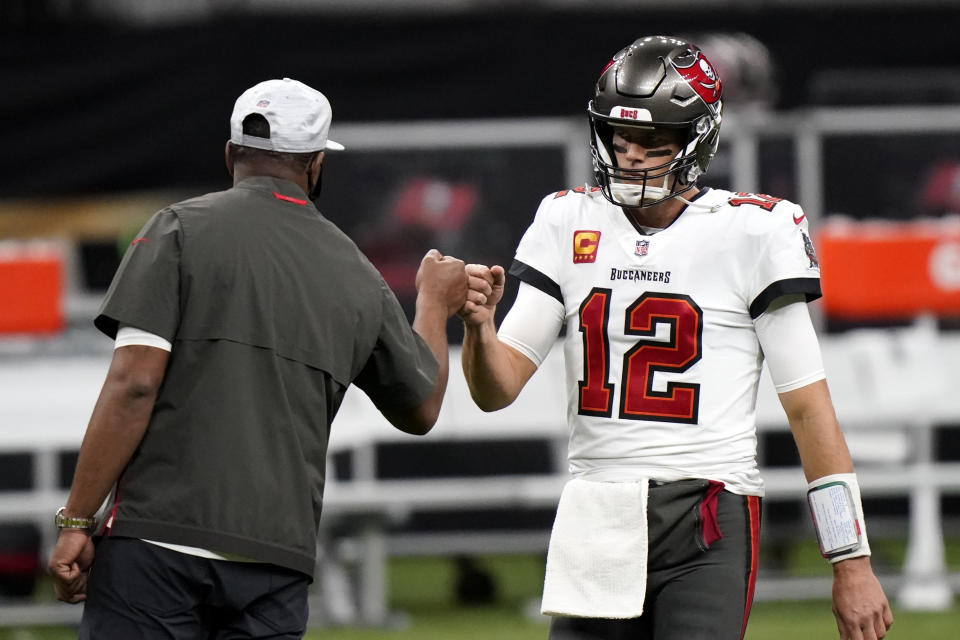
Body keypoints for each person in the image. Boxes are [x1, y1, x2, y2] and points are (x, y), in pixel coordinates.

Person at [458, 36, 893, 640]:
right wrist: (479, 328)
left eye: (653, 144)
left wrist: (852, 560)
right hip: (597, 506)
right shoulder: (566, 219)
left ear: (699, 140)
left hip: (706, 508)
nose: (632, 157)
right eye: (621, 139)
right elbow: (496, 388)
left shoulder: (754, 230)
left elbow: (807, 406)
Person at [48, 77, 468, 638]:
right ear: (316, 164)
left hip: (157, 542)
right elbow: (421, 408)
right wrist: (435, 304)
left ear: (230, 154)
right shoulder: (358, 274)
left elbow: (134, 385)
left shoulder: (177, 229)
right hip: (275, 562)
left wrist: (77, 519)